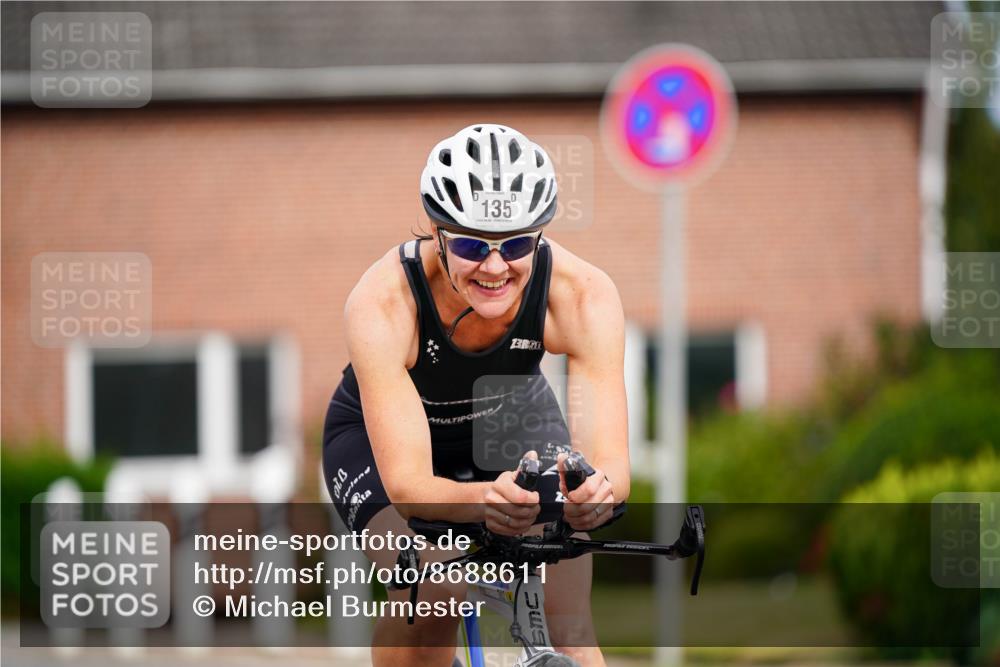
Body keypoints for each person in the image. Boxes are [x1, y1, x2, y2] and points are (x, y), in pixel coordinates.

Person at [323, 123, 629, 667]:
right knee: (432, 590)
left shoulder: (582, 296)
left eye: (515, 245)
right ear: (438, 234)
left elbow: (611, 469)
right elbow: (412, 489)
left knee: (571, 626)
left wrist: (593, 499)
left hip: (508, 416)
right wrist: (486, 503)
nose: (494, 267)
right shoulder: (382, 303)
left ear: (539, 235)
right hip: (377, 444)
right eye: (470, 245)